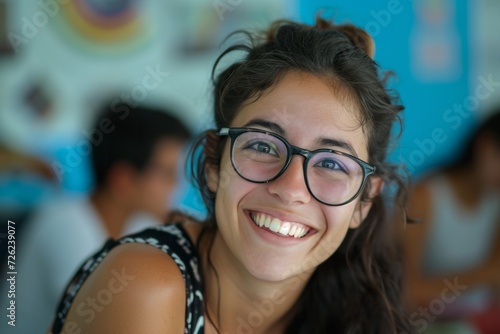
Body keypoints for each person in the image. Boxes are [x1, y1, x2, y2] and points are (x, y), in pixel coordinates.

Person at [50, 17, 412, 333]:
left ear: (364, 200)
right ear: (213, 162)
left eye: (332, 163)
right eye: (264, 146)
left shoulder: (354, 311)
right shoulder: (143, 286)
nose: (290, 189)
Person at [3, 102, 191, 334]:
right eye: (167, 174)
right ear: (123, 180)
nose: (177, 186)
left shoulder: (139, 224)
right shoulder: (64, 224)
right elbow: (105, 319)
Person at [403, 112, 500, 331]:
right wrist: (486, 274)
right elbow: (408, 290)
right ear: (485, 148)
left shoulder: (495, 201)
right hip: (432, 323)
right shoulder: (425, 196)